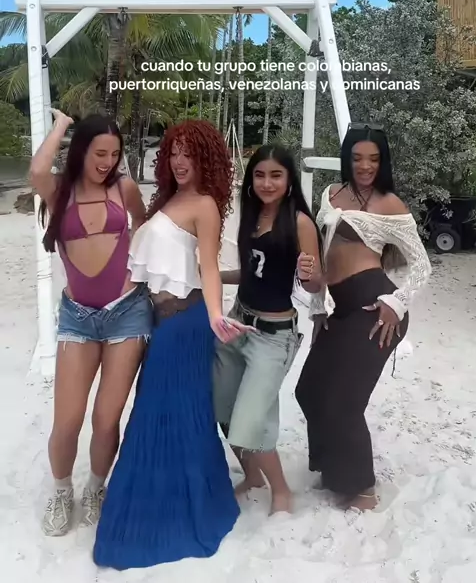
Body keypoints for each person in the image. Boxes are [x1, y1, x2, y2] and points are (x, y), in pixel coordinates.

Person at [93, 120, 253, 571]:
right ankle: (159, 500)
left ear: (206, 158)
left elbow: (209, 267)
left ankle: (174, 509)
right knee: (160, 411)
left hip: (187, 323)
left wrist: (217, 314)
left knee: (167, 413)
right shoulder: (166, 199)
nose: (180, 161)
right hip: (157, 322)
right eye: (174, 152)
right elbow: (139, 266)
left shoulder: (204, 205)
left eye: (189, 153)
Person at [295, 122, 432, 511]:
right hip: (341, 307)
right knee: (308, 389)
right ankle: (333, 468)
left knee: (344, 401)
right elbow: (322, 256)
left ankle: (363, 491)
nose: (365, 166)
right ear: (347, 158)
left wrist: (396, 302)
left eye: (373, 159)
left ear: (382, 161)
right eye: (357, 158)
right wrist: (318, 309)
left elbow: (422, 266)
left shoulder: (390, 204)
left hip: (376, 308)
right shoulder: (331, 193)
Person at [30, 110, 151, 537]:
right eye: (100, 153)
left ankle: (96, 488)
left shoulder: (124, 187)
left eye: (114, 154)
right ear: (81, 150)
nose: (108, 162)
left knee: (105, 419)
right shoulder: (58, 190)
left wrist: (137, 272)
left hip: (127, 313)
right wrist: (62, 126)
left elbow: (144, 225)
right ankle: (62, 491)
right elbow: (36, 170)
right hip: (77, 318)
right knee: (67, 420)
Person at [214, 144, 323, 516]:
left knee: (251, 419)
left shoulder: (300, 222)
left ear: (289, 179)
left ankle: (281, 491)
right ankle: (253, 477)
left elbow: (315, 283)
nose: (267, 183)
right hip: (237, 321)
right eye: (260, 175)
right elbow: (251, 273)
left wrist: (310, 275)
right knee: (223, 407)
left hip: (274, 337)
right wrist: (211, 276)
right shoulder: (253, 214)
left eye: (276, 175)